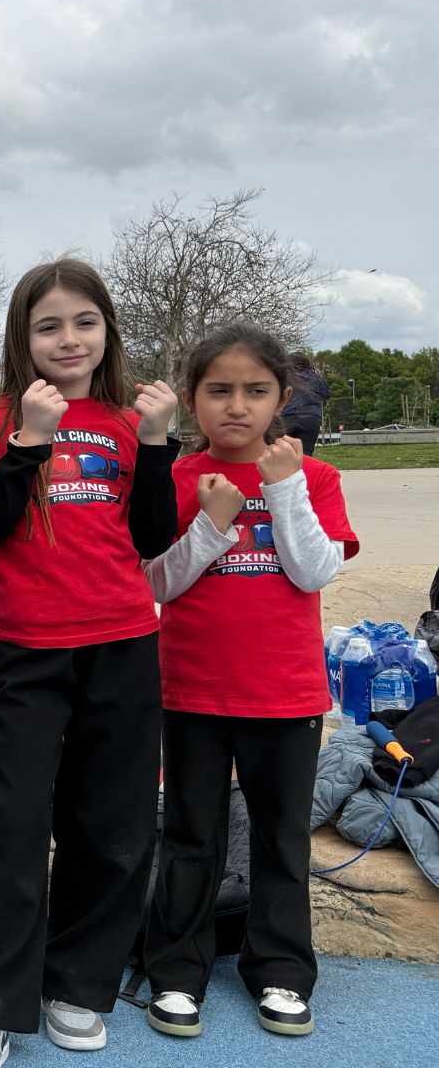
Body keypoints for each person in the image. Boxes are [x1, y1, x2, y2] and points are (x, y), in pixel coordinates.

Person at [0, 258, 179, 1068]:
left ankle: (77, 985)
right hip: (30, 650)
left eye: (84, 322)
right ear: (23, 337)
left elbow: (151, 537)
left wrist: (156, 443)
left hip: (123, 644)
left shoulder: (126, 421)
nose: (69, 339)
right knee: (15, 823)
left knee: (111, 823)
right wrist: (29, 442)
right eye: (49, 326)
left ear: (107, 330)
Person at [141, 324, 357, 1041]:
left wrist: (284, 487)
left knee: (281, 840)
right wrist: (211, 526)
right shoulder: (176, 479)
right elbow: (157, 583)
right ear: (192, 398)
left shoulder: (313, 477)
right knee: (190, 836)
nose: (237, 406)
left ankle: (282, 969)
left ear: (281, 398)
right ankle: (177, 971)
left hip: (286, 695)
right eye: (219, 390)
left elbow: (314, 571)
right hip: (192, 691)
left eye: (255, 391)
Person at [280, 352, 330, 456]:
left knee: (285, 451)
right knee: (306, 453)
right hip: (310, 418)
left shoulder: (284, 377)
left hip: (288, 416)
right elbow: (325, 395)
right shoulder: (315, 378)